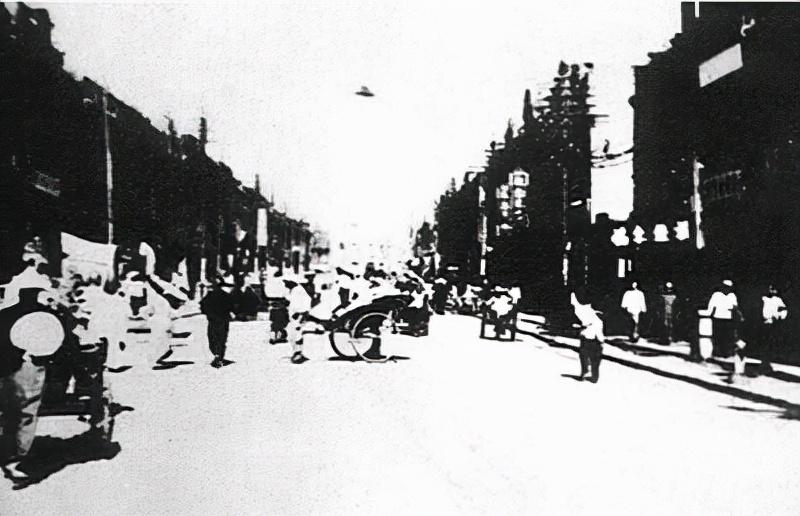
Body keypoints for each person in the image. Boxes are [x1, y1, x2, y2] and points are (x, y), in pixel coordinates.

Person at [200, 276, 235, 368]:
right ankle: (218, 356)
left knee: (214, 339)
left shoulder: (210, 296)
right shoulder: (225, 295)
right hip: (221, 320)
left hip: (215, 320)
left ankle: (217, 356)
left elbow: (203, 306)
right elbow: (232, 306)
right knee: (220, 339)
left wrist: (208, 313)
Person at [571, 291, 605, 383]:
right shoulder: (597, 319)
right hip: (594, 340)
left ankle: (585, 372)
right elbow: (599, 331)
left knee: (584, 357)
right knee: (594, 360)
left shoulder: (584, 313)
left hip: (586, 338)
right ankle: (594, 377)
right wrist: (602, 341)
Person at [760, 284, 787, 373]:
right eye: (770, 289)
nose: (772, 291)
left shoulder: (778, 300)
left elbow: (784, 310)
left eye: (774, 289)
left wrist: (778, 316)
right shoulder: (763, 298)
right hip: (763, 323)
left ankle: (766, 363)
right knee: (763, 343)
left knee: (770, 343)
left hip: (772, 324)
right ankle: (764, 362)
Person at [286, 275, 313, 364]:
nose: (285, 284)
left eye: (286, 282)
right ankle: (297, 352)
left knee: (297, 335)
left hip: (299, 317)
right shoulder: (294, 290)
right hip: (295, 317)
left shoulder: (298, 290)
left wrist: (300, 313)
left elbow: (306, 302)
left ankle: (299, 353)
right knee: (292, 335)